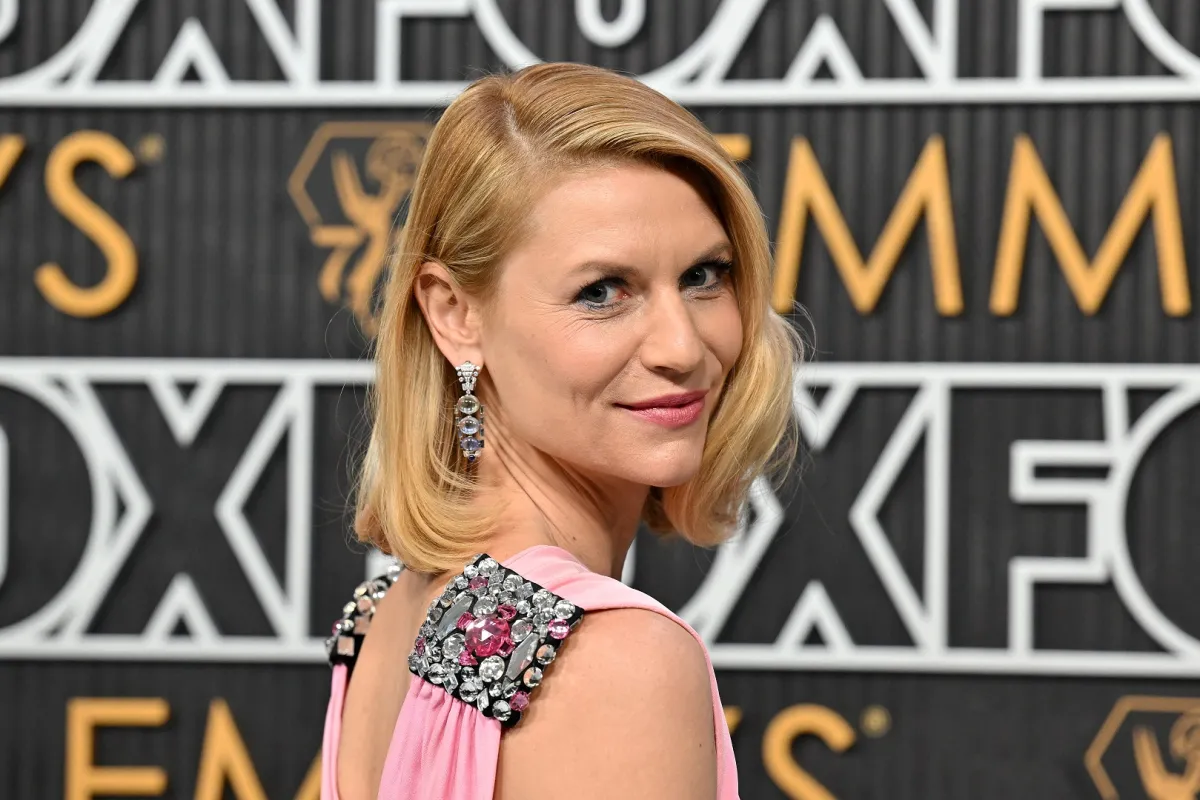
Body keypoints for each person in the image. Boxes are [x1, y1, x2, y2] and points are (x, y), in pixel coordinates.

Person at [320, 61, 801, 800]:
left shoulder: (383, 619)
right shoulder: (620, 660)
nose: (681, 346)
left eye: (706, 276)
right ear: (454, 313)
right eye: (602, 292)